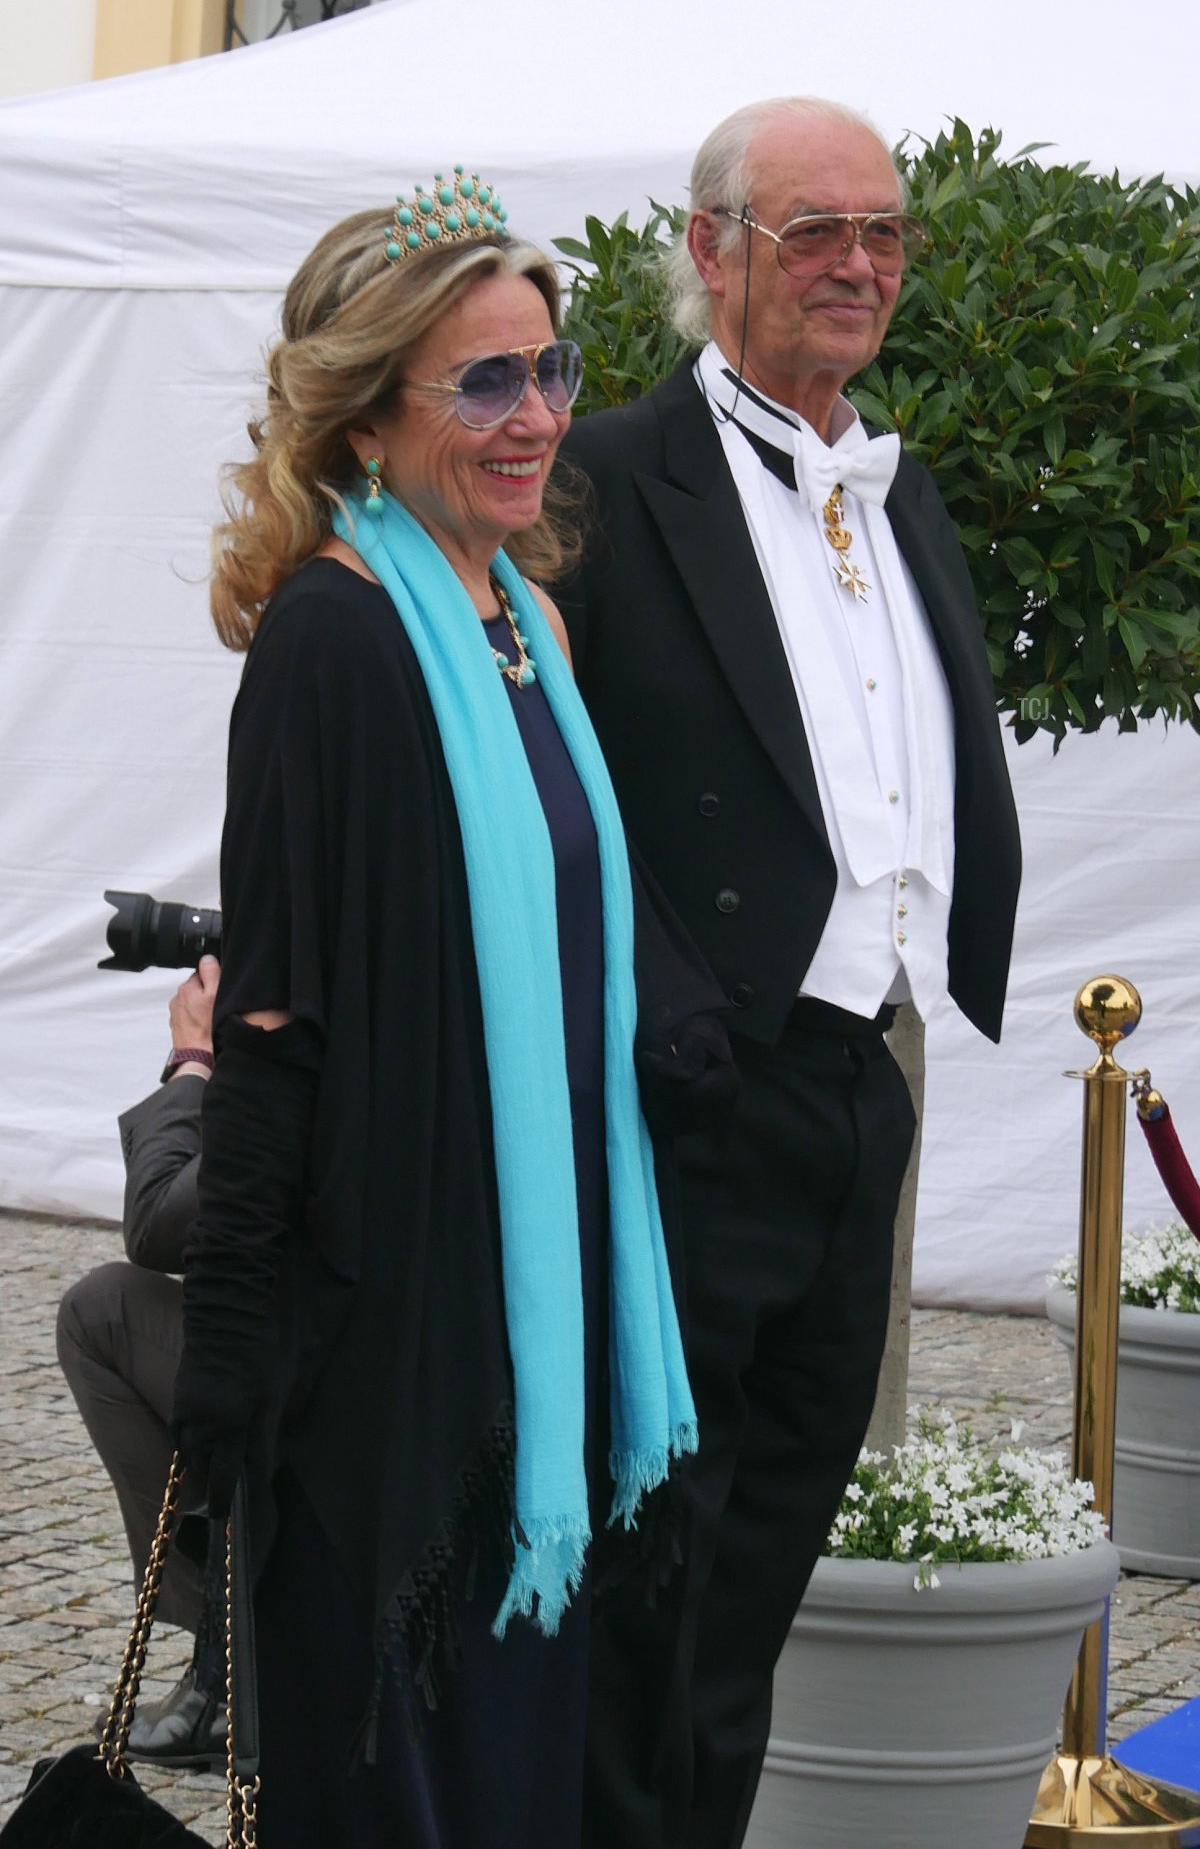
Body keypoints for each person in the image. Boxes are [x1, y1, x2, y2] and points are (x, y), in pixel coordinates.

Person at [167, 172, 725, 1849]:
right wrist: (232, 1362)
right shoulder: (330, 644)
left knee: (511, 1771)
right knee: (393, 1782)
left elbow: (586, 936)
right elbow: (278, 1023)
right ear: (365, 411)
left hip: (534, 1308)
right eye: (486, 380)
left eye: (552, 369)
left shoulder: (528, 628)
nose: (539, 415)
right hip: (392, 1338)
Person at [556, 97, 1022, 1849]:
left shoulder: (898, 496)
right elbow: (545, 800)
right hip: (683, 1104)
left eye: (882, 233)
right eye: (811, 229)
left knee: (757, 1581)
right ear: (711, 250)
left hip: (856, 1094)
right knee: (646, 1576)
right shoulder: (601, 477)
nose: (855, 263)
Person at [57, 957, 227, 1766]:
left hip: (329, 1381)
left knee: (101, 1314)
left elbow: (161, 1223)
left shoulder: (311, 1036)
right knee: (107, 1305)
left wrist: (194, 1059)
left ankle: (230, 1667)